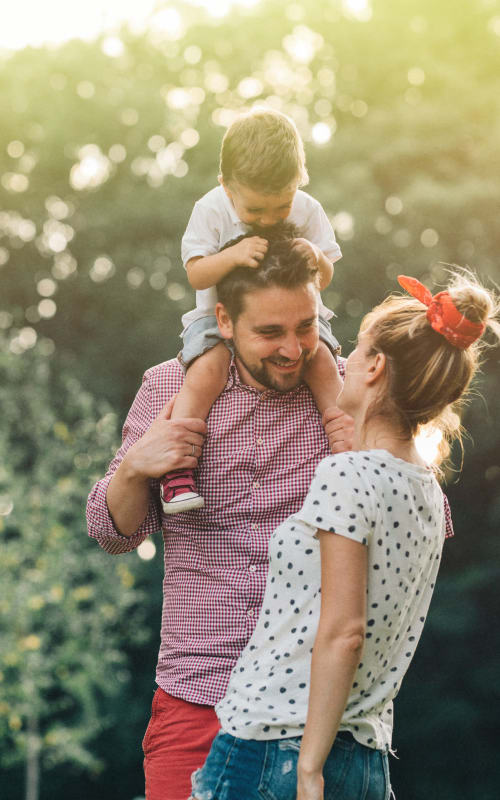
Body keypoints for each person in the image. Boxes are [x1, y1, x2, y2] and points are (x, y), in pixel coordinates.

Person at [189, 270, 498, 800]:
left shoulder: (348, 475)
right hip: (368, 761)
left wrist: (309, 769)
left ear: (376, 367)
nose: (342, 361)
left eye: (354, 349)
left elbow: (344, 632)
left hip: (275, 751)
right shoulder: (427, 493)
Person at [86, 235, 355, 800]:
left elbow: (419, 529)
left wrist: (368, 450)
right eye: (270, 332)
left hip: (314, 707)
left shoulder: (349, 392)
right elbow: (111, 531)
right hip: (198, 695)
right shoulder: (169, 386)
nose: (292, 349)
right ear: (224, 321)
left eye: (305, 326)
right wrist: (136, 469)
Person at [159, 107, 343, 514]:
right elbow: (196, 274)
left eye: (280, 208)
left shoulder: (308, 209)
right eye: (255, 211)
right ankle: (177, 472)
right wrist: (235, 255)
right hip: (215, 319)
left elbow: (325, 276)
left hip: (297, 315)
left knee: (325, 367)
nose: (267, 220)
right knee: (205, 374)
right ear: (227, 187)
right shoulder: (211, 210)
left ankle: (348, 450)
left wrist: (314, 255)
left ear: (299, 181)